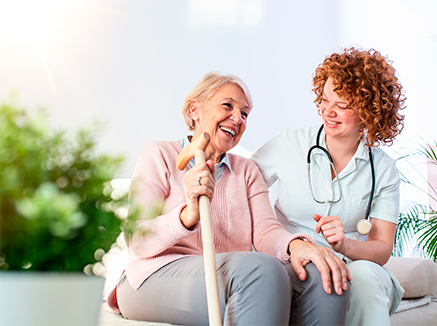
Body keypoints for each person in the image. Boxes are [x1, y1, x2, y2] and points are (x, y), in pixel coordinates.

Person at [106, 72, 351, 325]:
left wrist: (297, 245)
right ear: (195, 109)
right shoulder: (160, 154)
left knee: (324, 276)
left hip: (231, 274)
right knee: (261, 271)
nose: (237, 119)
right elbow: (137, 239)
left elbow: (266, 233)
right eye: (228, 105)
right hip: (153, 276)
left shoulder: (246, 171)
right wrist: (187, 214)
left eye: (244, 114)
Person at [251, 47, 407, 325]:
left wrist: (345, 244)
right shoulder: (290, 143)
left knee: (367, 278)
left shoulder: (383, 168)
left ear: (370, 110)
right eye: (324, 100)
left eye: (343, 106)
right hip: (292, 254)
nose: (328, 111)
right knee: (320, 277)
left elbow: (382, 246)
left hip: (350, 262)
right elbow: (242, 186)